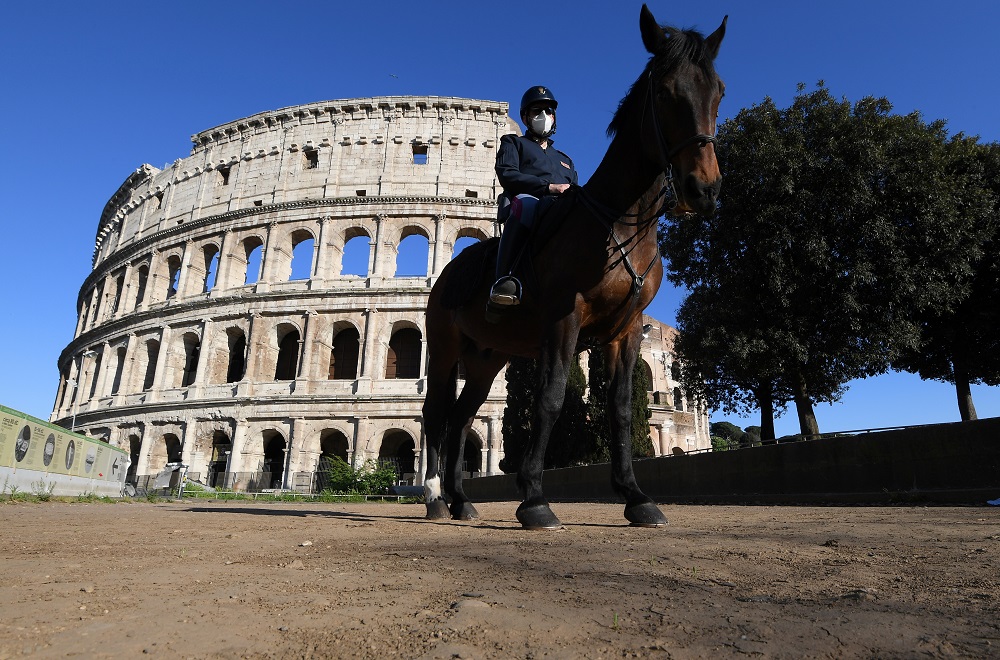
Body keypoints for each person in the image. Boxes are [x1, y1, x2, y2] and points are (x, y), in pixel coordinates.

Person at [490, 85, 579, 307]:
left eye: (548, 111)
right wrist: (549, 188)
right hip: (530, 202)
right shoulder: (514, 143)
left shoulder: (565, 159)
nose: (544, 116)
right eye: (536, 111)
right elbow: (507, 174)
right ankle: (504, 279)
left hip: (563, 210)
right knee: (526, 205)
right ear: (526, 118)